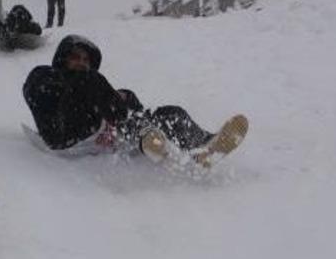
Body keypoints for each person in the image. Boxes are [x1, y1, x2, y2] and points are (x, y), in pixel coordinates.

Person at [22, 35, 245, 164]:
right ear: (62, 59)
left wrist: (125, 98)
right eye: (75, 57)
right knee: (102, 92)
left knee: (167, 112)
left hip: (102, 134)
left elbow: (119, 104)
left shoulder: (93, 87)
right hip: (68, 135)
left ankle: (204, 146)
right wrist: (64, 86)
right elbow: (36, 90)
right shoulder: (46, 76)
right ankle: (144, 133)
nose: (81, 62)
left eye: (85, 60)